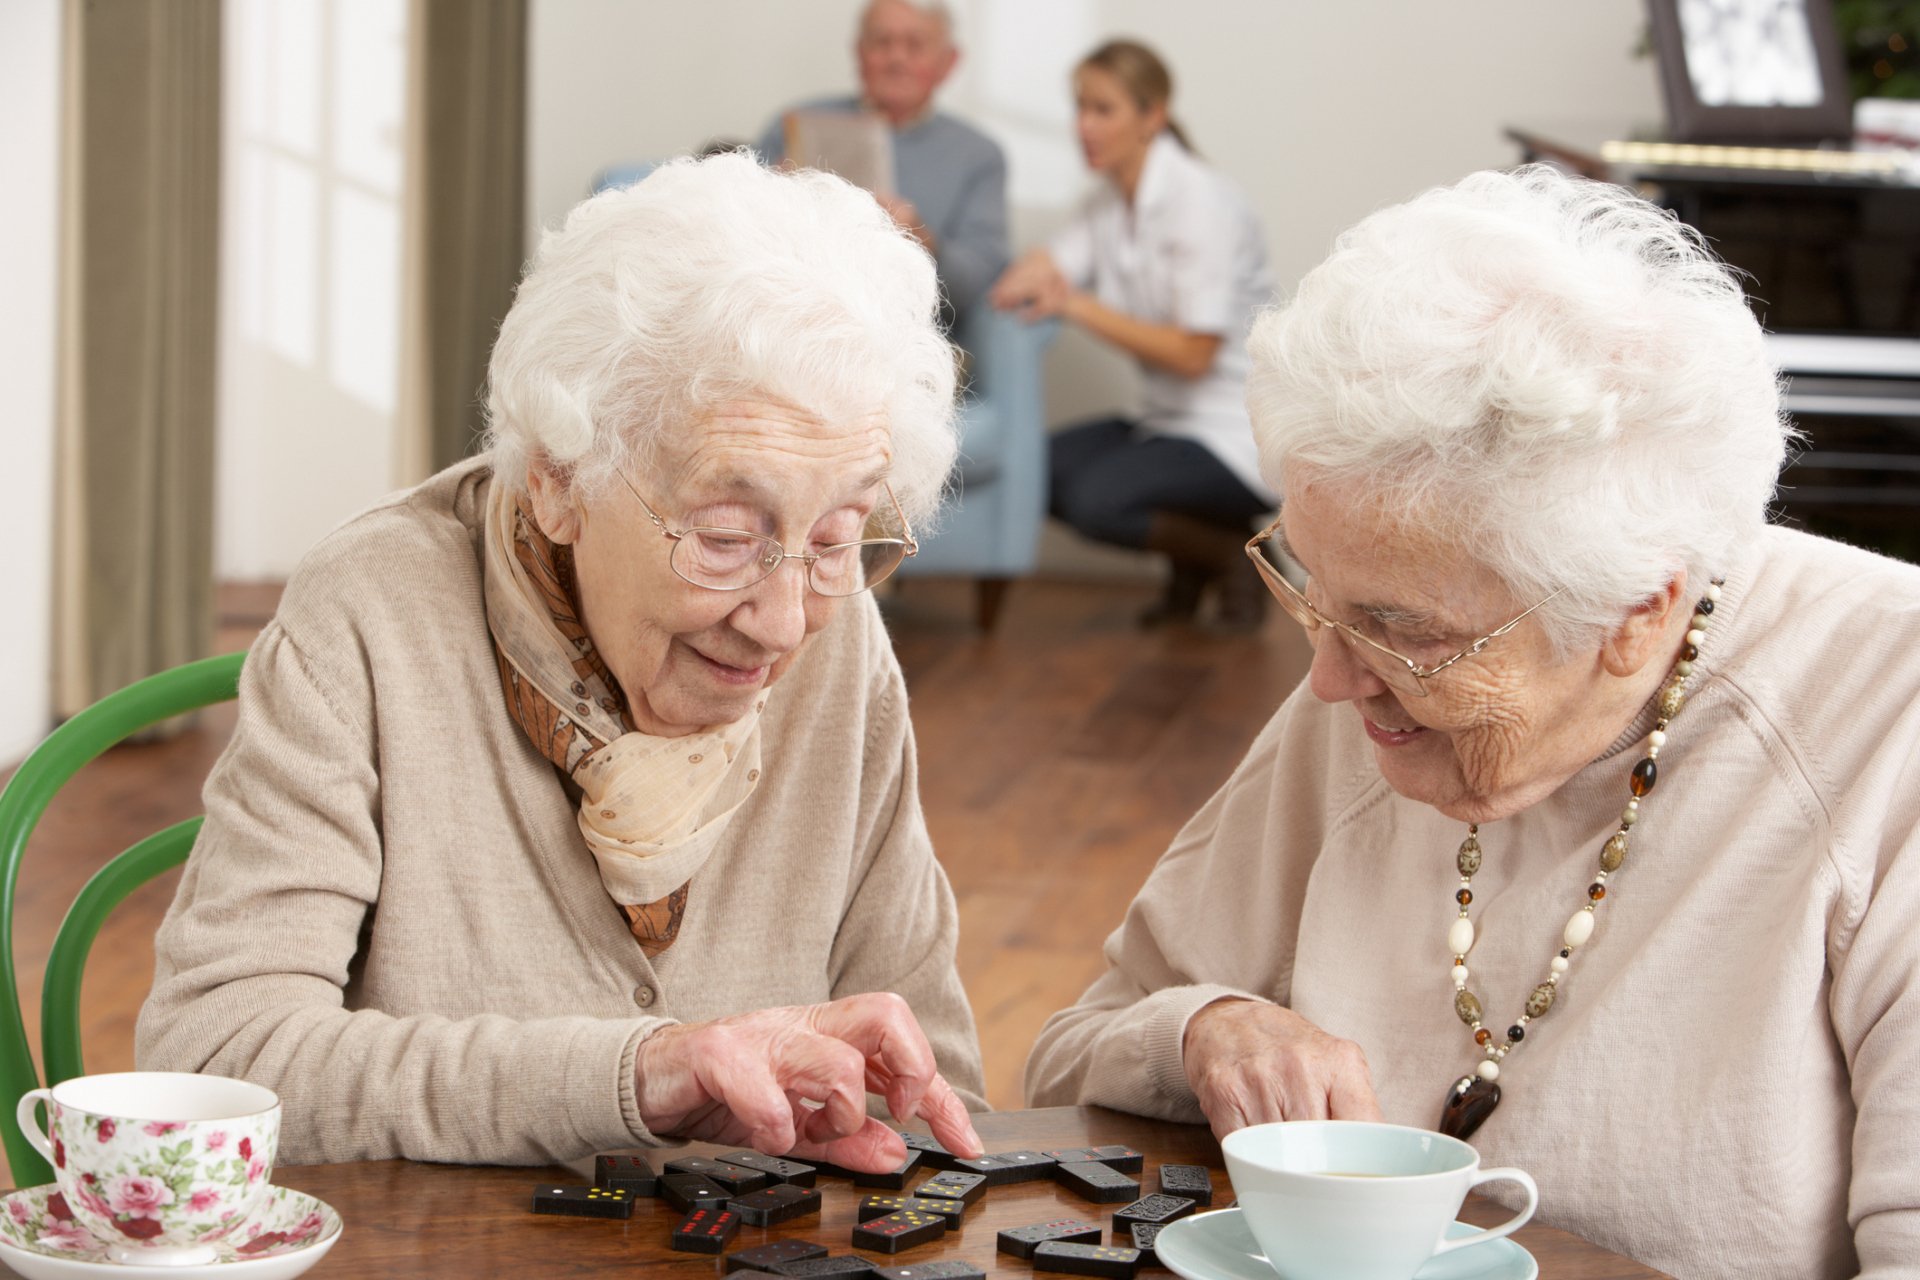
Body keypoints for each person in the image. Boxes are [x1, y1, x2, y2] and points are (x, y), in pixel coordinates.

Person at [1024, 166, 1920, 1279]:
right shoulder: (1371, 697)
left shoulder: (1890, 721)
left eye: (1405, 631)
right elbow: (1066, 1061)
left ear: (1639, 611)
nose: (1328, 681)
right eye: (1312, 589)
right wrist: (1202, 1028)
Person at [137, 153, 988, 1171]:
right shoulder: (372, 616)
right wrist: (635, 1076)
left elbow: (931, 1085)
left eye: (841, 534)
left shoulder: (839, 638)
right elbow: (219, 1059)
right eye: (724, 534)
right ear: (557, 481)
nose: (781, 618)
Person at [991, 40, 1275, 631]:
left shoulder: (1199, 201)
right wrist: (1031, 277)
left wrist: (1077, 305)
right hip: (1166, 422)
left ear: (1153, 115)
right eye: (1079, 107)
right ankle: (1200, 561)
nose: (1083, 126)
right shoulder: (1104, 203)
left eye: (1103, 109)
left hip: (1235, 432)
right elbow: (1038, 270)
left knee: (1099, 499)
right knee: (1029, 467)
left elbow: (1193, 355)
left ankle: (1232, 558)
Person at [756, 0, 1008, 318]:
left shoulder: (979, 155)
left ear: (949, 62)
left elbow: (978, 285)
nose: (896, 58)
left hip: (909, 326)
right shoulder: (794, 124)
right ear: (859, 53)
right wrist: (773, 198)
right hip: (791, 311)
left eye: (915, 45)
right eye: (881, 42)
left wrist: (922, 239)